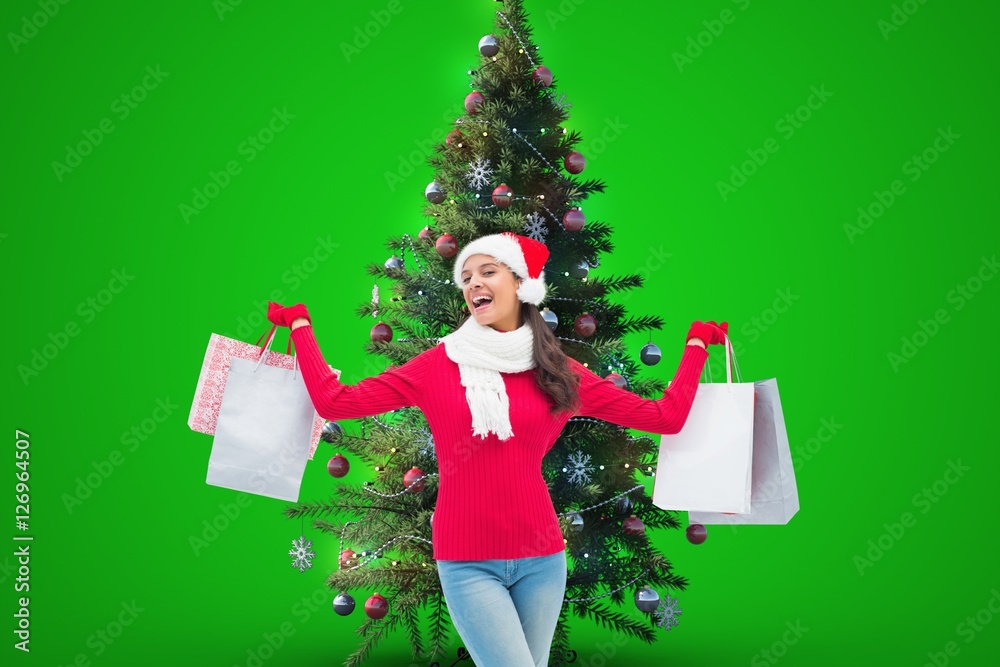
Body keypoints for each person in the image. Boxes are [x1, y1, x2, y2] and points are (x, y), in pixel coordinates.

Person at [266, 232, 728, 667]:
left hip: (542, 559)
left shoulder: (557, 371)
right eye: (466, 278)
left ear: (521, 284)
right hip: (466, 560)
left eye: (487, 271)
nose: (473, 284)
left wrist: (694, 348)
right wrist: (302, 327)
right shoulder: (436, 366)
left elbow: (663, 418)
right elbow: (337, 402)